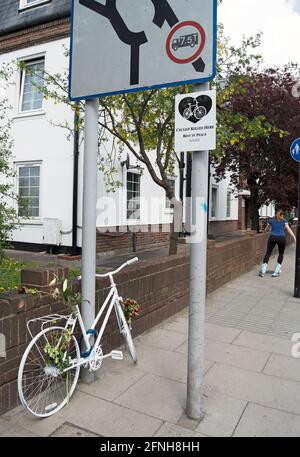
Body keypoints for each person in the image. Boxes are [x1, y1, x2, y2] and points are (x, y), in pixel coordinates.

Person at [259, 210, 296, 278]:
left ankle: (263, 271)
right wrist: (294, 237)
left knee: (268, 253)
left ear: (276, 214)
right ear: (282, 215)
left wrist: (264, 231)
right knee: (281, 254)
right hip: (281, 238)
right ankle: (276, 271)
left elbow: (267, 228)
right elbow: (288, 229)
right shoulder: (284, 220)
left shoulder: (271, 220)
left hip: (272, 237)